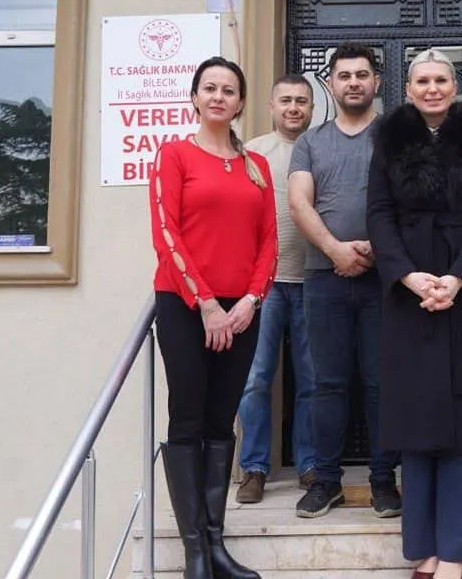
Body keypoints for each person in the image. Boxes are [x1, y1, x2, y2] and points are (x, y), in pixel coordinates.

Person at [368, 49, 462, 579]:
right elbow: (378, 213)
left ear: (455, 86)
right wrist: (407, 276)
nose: (432, 89)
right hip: (409, 297)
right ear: (407, 89)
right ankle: (425, 544)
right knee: (417, 421)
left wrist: (458, 278)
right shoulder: (389, 138)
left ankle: (456, 551)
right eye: (422, 80)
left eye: (441, 80)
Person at [149, 56, 275, 579]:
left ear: (240, 102)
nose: (219, 96)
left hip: (241, 314)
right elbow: (166, 233)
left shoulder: (256, 165)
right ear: (195, 98)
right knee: (188, 419)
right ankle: (195, 554)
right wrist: (205, 303)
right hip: (186, 308)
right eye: (210, 88)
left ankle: (217, 546)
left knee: (223, 421)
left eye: (229, 90)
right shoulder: (174, 154)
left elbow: (269, 241)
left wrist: (249, 301)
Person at [288, 43, 402, 519]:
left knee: (382, 383)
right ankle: (326, 481)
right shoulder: (310, 142)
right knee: (327, 384)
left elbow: (409, 200)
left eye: (362, 74)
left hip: (385, 280)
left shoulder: (396, 136)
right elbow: (299, 202)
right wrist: (336, 250)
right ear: (330, 84)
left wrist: (378, 248)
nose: (353, 82)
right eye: (344, 75)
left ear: (377, 82)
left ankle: (383, 481)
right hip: (324, 279)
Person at [235, 75, 316, 503]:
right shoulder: (251, 152)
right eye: (286, 100)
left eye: (301, 101)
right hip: (263, 285)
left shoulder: (320, 147)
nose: (293, 108)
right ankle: (253, 468)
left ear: (312, 108)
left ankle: (309, 465)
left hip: (314, 280)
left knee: (312, 381)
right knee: (254, 380)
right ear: (271, 106)